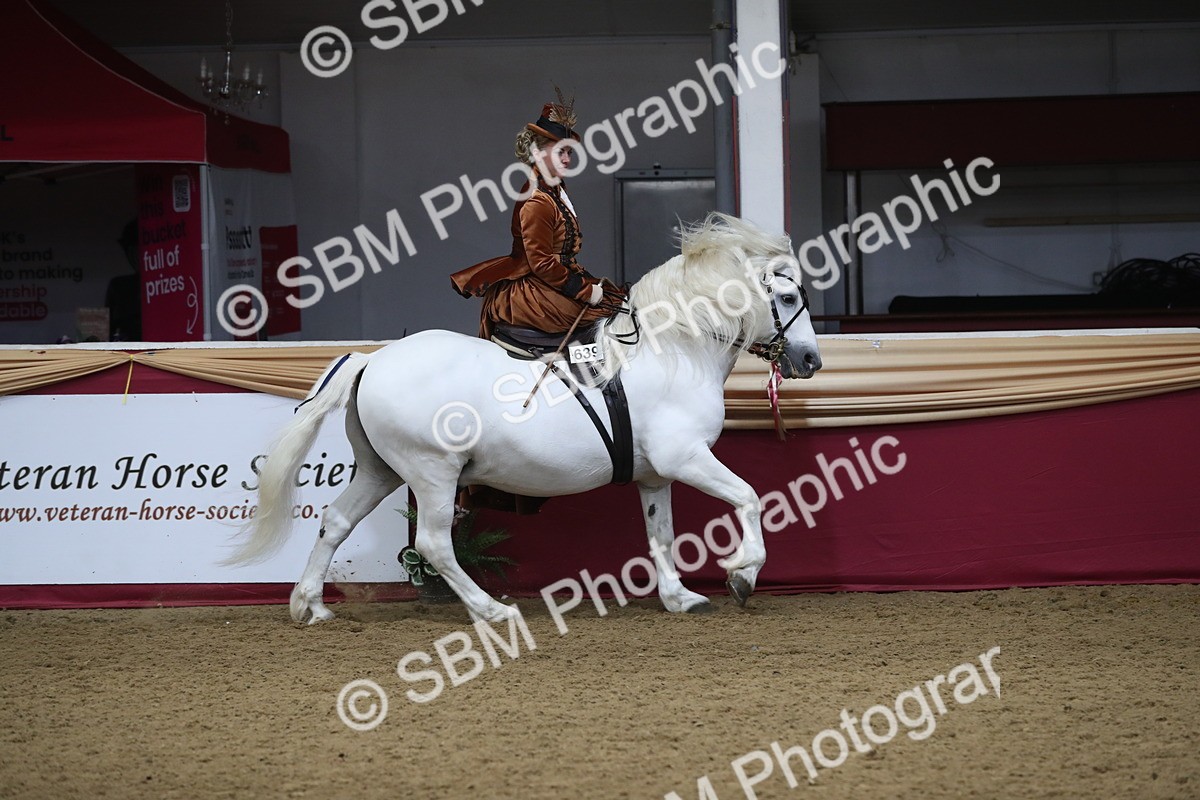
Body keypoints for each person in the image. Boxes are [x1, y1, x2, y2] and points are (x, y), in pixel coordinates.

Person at [450, 95, 624, 340]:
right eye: (560, 152)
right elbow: (541, 263)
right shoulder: (538, 199)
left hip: (552, 279)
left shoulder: (554, 189)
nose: (567, 159)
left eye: (569, 152)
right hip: (534, 290)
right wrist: (584, 290)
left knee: (617, 302)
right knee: (607, 314)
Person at [105, 220, 142, 341]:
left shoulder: (167, 285)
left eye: (137, 250)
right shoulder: (119, 286)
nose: (134, 256)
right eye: (129, 251)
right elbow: (107, 330)